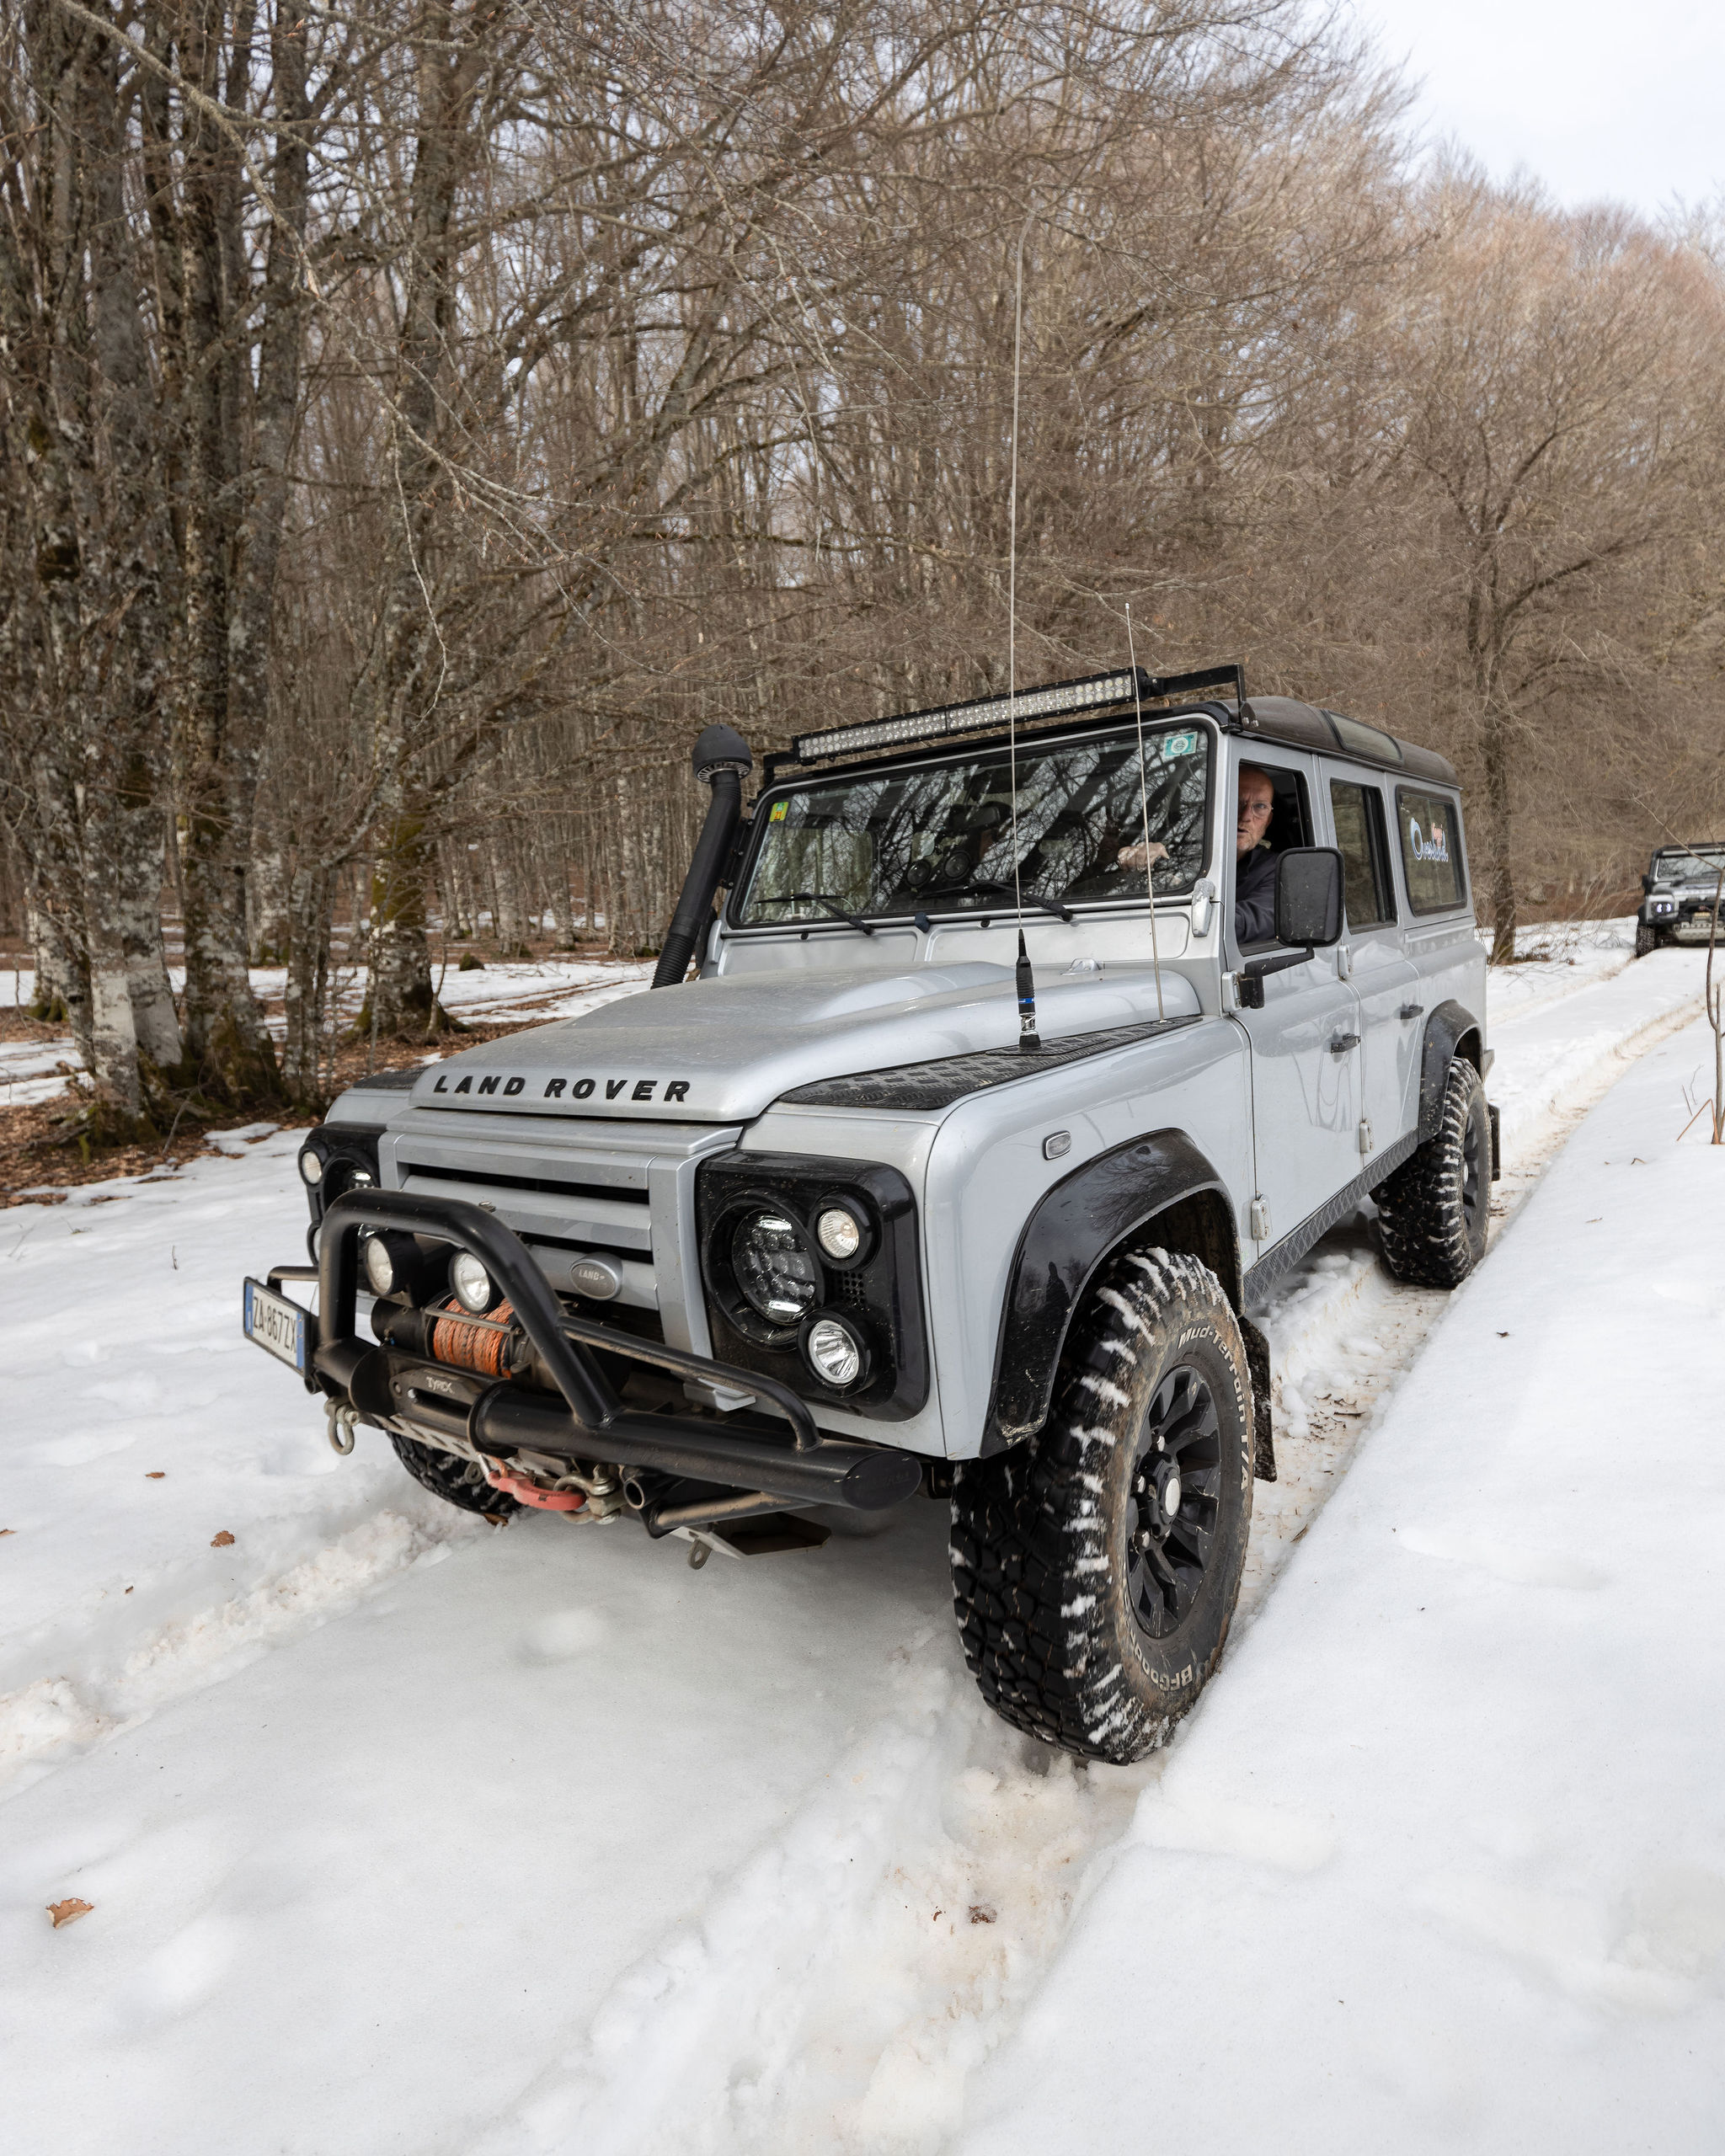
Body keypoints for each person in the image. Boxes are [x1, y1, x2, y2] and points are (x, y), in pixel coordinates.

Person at [1116, 762, 1279, 942]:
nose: (1246, 816)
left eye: (1260, 807)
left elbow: (1248, 924)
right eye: (1236, 801)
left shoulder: (1278, 869)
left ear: (1269, 820)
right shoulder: (1182, 853)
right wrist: (1139, 859)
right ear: (1216, 807)